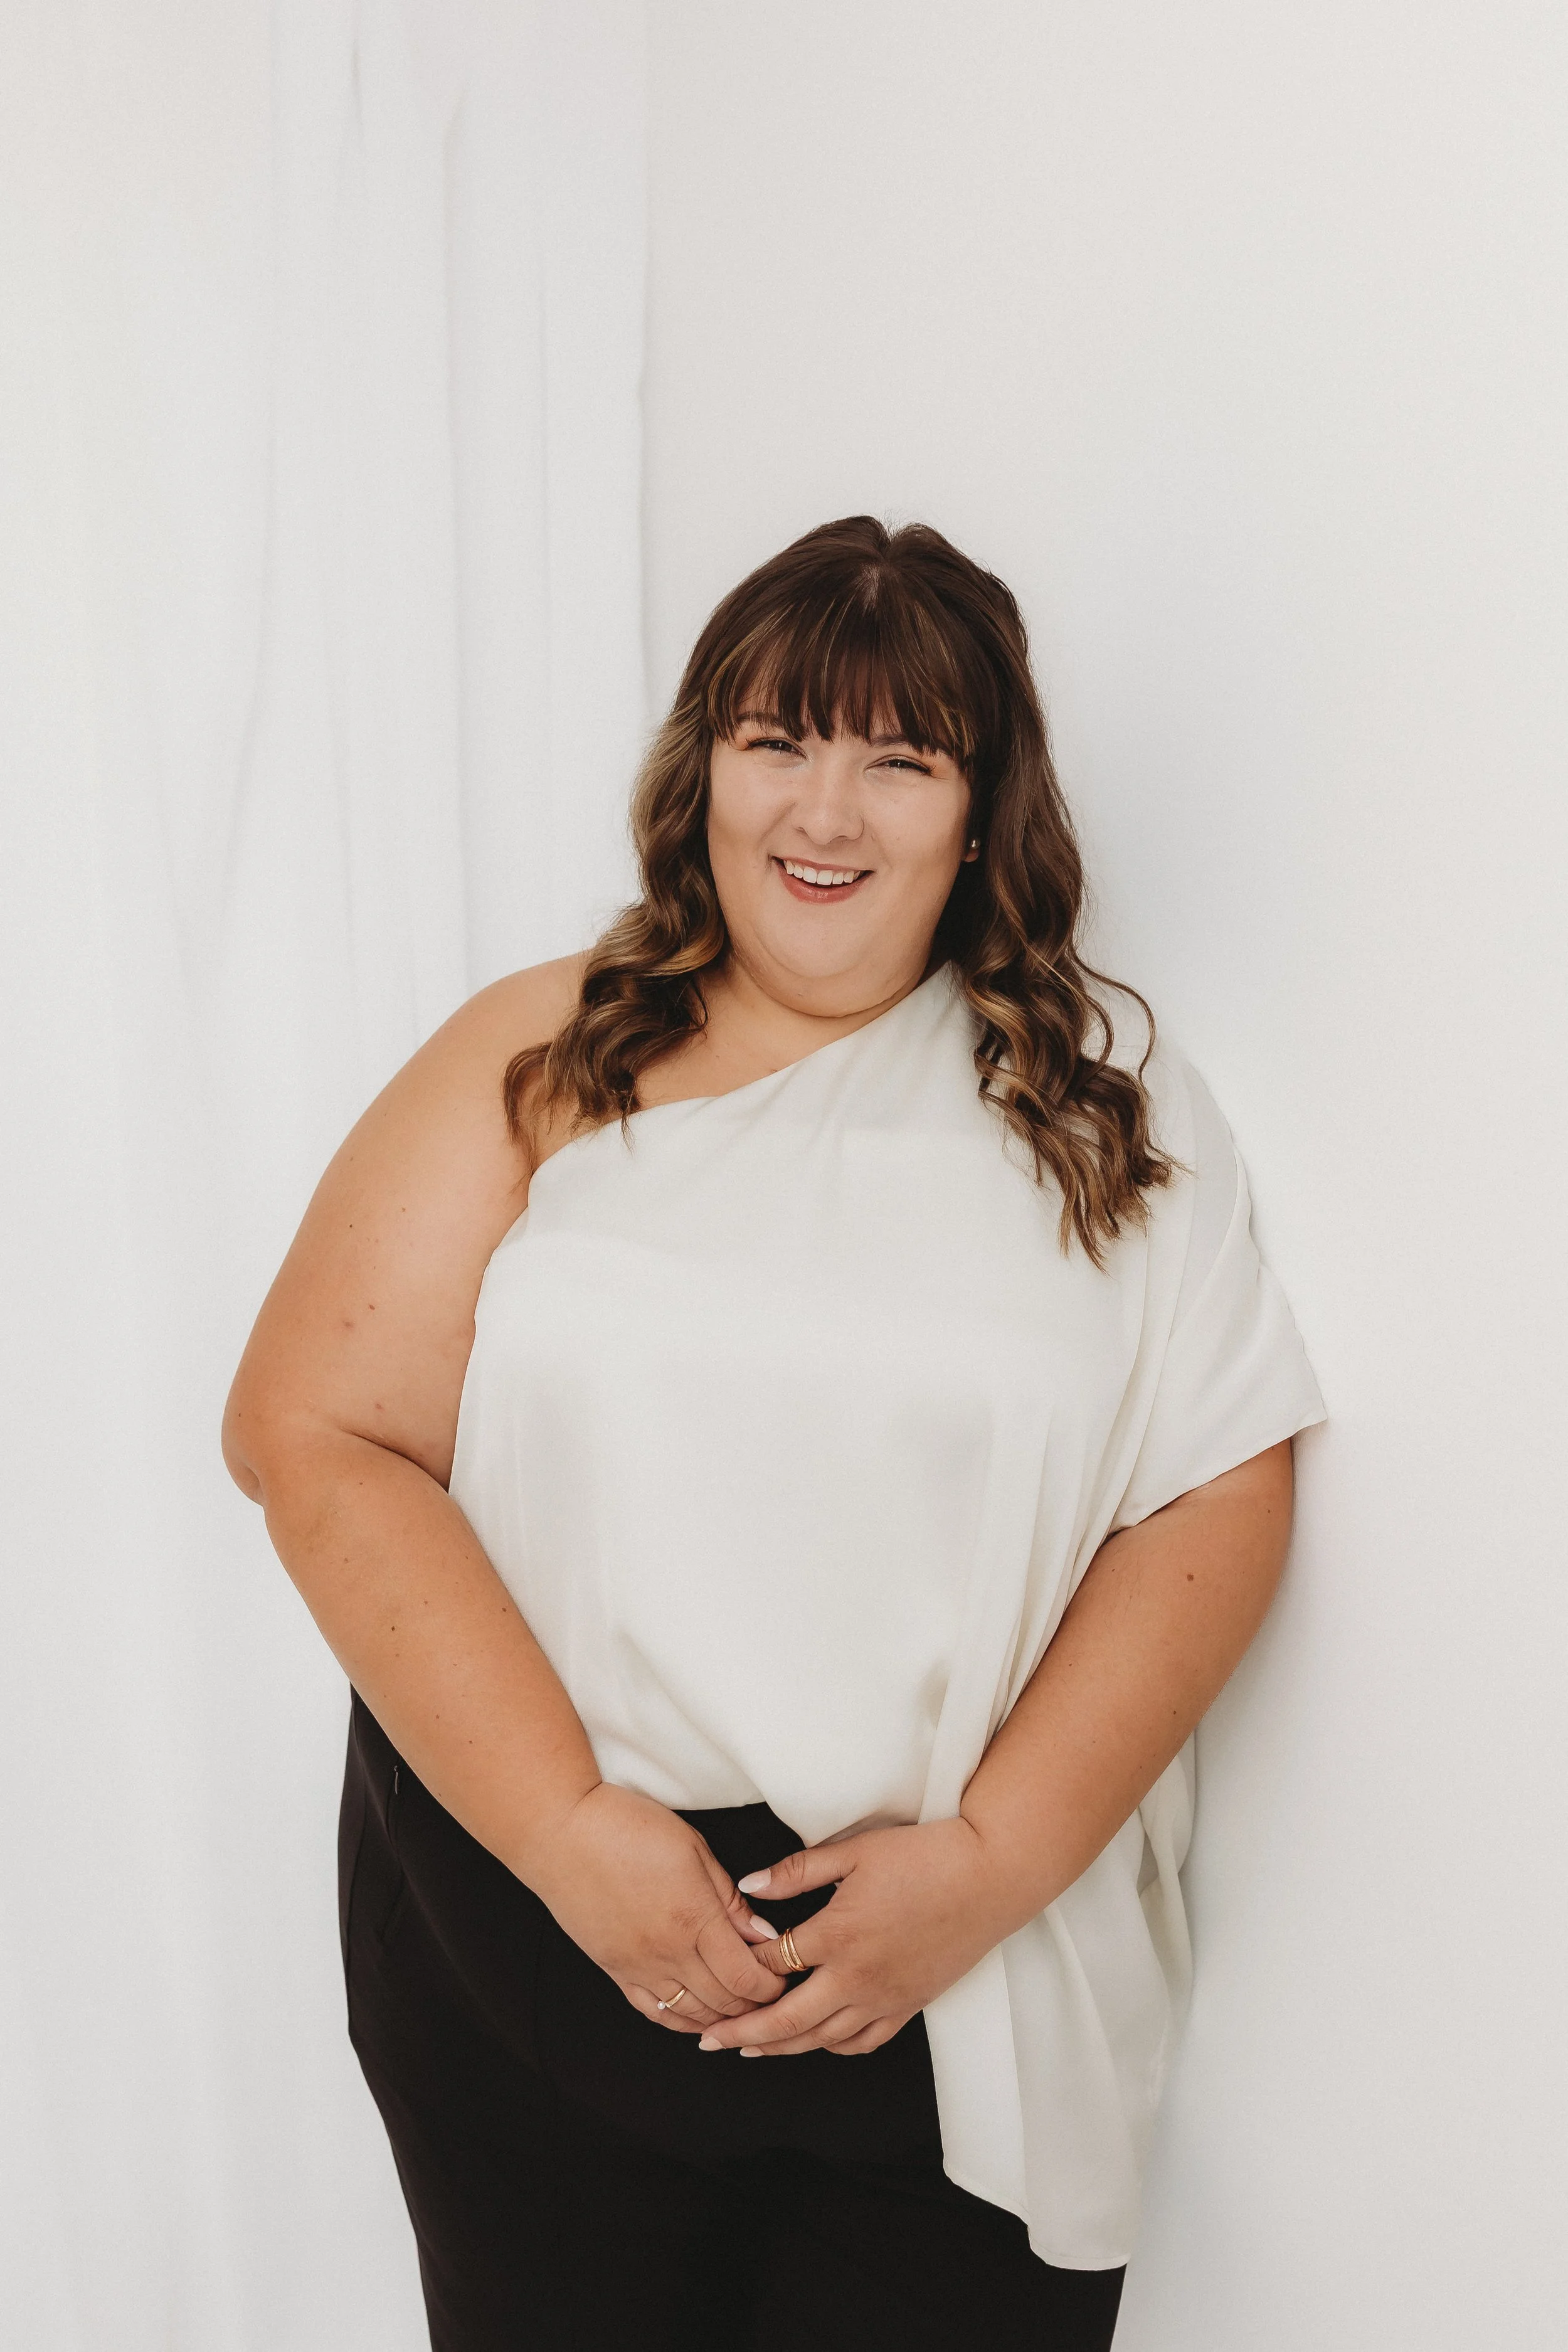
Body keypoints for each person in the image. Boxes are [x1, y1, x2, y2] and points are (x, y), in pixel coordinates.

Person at [223, 516, 1325, 2351]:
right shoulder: (542, 1053)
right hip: (527, 1926)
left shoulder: (1104, 1118)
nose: (824, 810)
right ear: (702, 771)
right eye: (775, 739)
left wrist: (980, 1870)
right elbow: (312, 1430)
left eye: (897, 758)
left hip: (944, 1977)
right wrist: (570, 1829)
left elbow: (1219, 1491)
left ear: (980, 816)